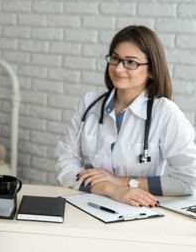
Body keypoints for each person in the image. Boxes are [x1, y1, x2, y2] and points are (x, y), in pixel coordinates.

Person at [56, 25, 196, 207]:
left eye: (131, 62)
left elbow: (188, 181)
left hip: (139, 211)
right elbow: (65, 164)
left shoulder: (165, 112)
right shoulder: (89, 104)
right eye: (115, 58)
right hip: (87, 204)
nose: (118, 69)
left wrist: (122, 182)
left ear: (152, 70)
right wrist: (111, 189)